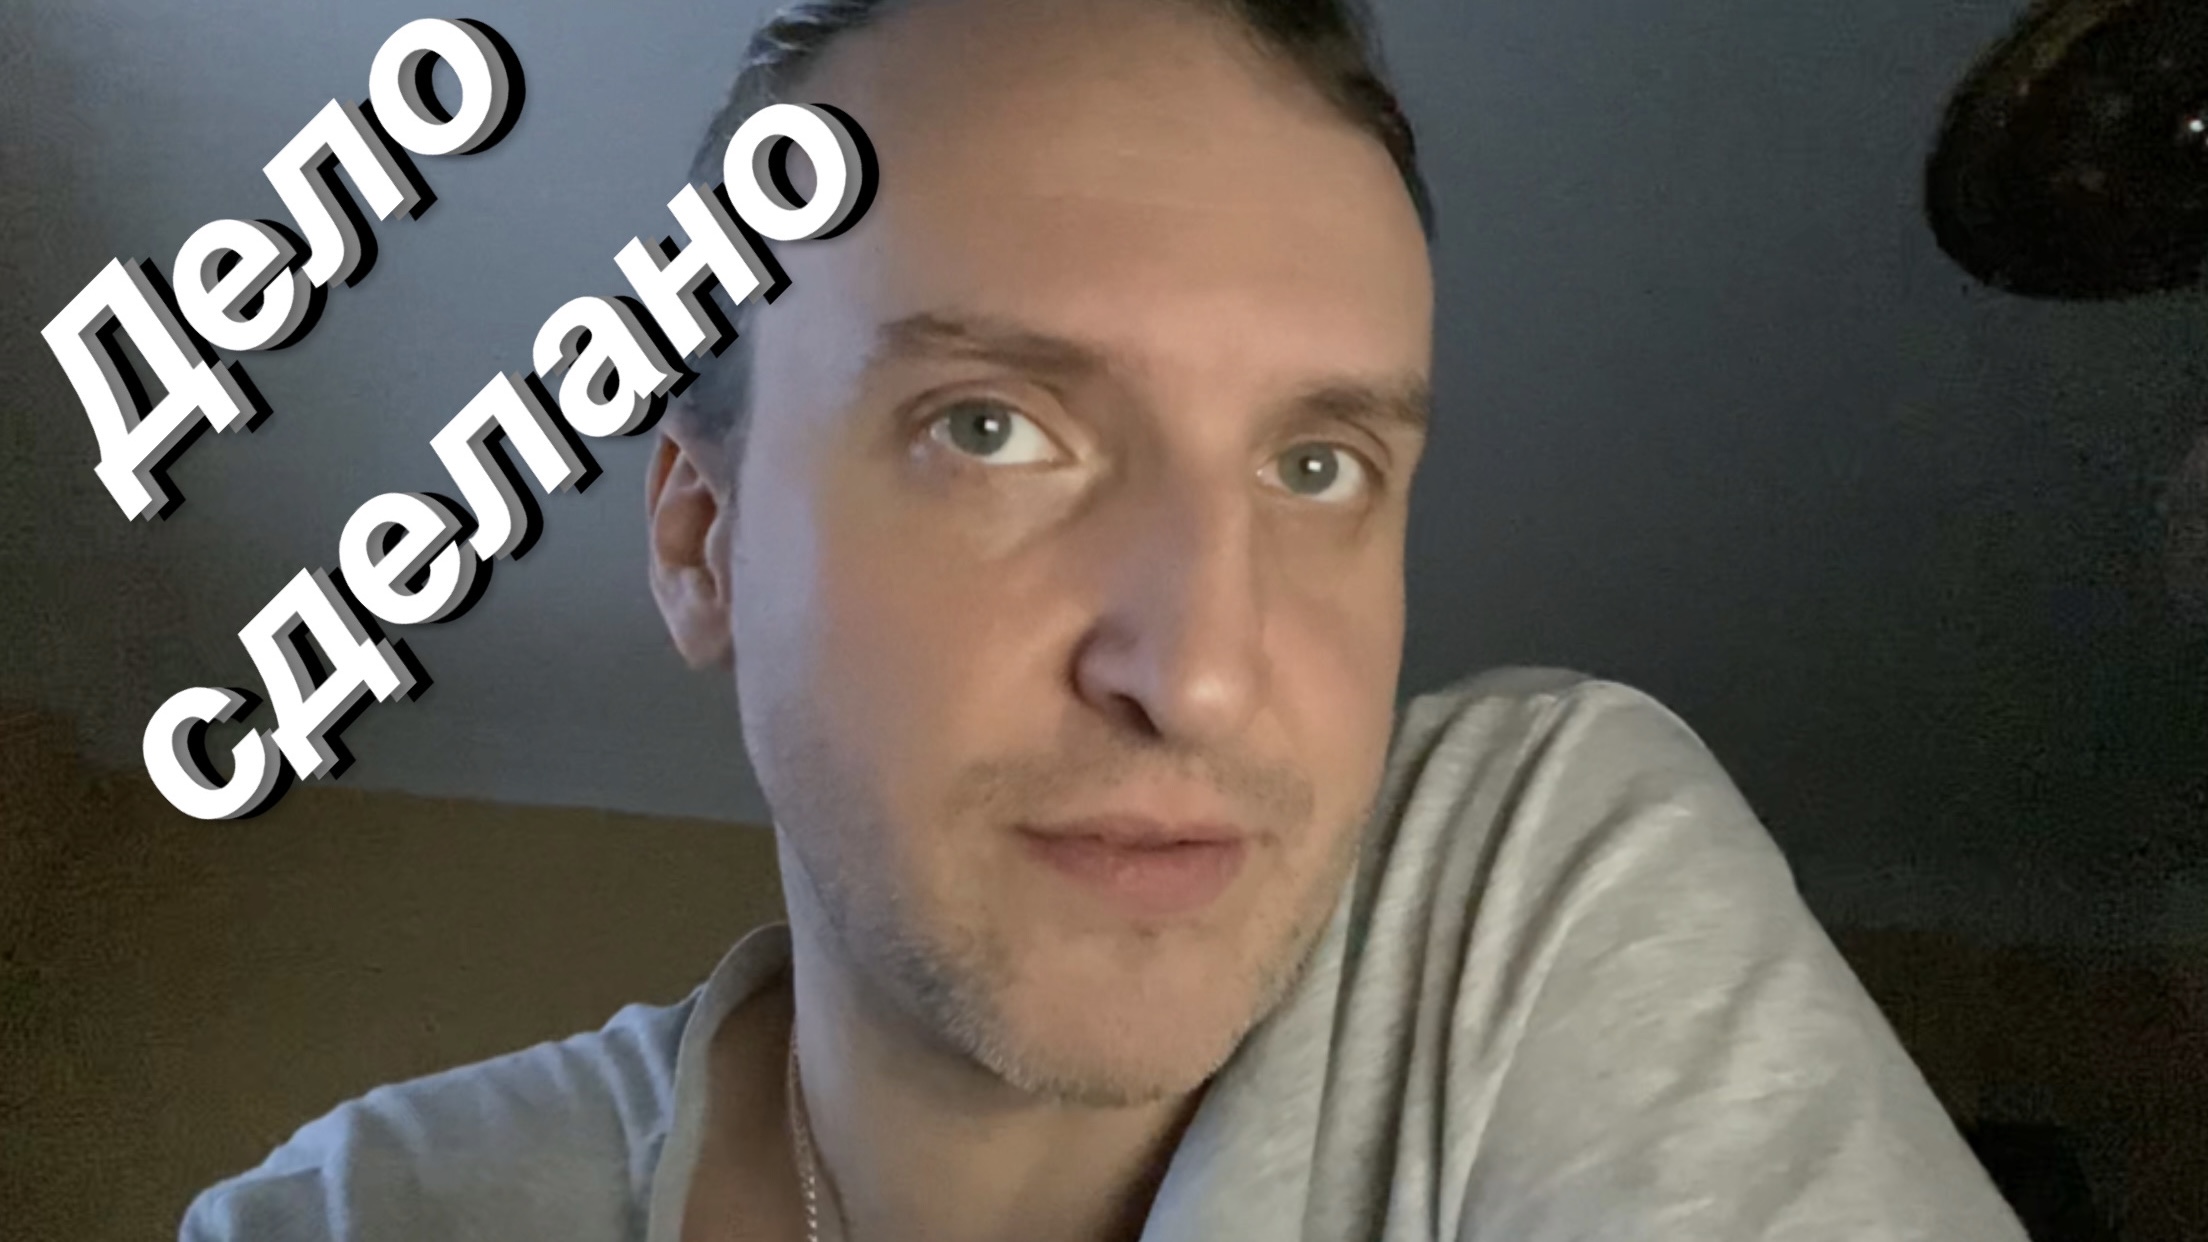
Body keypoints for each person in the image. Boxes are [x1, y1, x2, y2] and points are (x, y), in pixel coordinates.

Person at [181, 0, 2029, 1239]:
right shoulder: (353, 1216)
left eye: (1319, 465)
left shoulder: (1520, 897)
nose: (1201, 671)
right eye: (990, 428)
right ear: (700, 540)